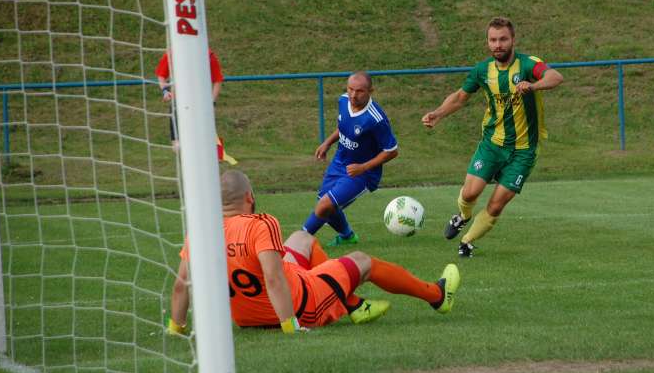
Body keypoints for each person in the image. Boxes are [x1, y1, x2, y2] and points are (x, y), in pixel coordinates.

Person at [169, 170, 460, 334]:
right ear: (249, 197)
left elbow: (182, 283)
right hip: (300, 304)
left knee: (302, 237)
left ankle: (353, 304)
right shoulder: (261, 223)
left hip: (245, 317)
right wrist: (289, 326)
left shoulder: (200, 230)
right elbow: (272, 278)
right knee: (362, 261)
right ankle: (437, 295)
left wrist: (176, 327)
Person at [422, 17, 564, 258]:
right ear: (488, 42)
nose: (498, 44)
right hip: (492, 144)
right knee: (469, 194)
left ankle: (467, 241)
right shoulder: (482, 70)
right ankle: (463, 217)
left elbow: (555, 77)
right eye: (493, 40)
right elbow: (459, 97)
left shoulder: (529, 64)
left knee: (496, 204)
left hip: (523, 150)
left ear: (513, 40)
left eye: (503, 39)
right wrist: (438, 114)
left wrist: (533, 85)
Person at [302, 72, 398, 245]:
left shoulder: (376, 119)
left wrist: (363, 167)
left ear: (371, 91)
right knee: (324, 206)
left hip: (361, 174)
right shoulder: (343, 101)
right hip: (339, 162)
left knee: (324, 206)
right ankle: (348, 237)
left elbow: (391, 151)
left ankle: (297, 243)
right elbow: (343, 127)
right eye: (351, 89)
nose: (354, 95)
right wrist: (327, 143)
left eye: (360, 91)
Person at [155, 48, 224, 151]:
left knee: (203, 143)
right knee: (178, 147)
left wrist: (211, 102)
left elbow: (217, 81)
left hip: (200, 103)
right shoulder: (173, 52)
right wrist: (165, 91)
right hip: (178, 103)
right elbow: (161, 75)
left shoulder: (208, 56)